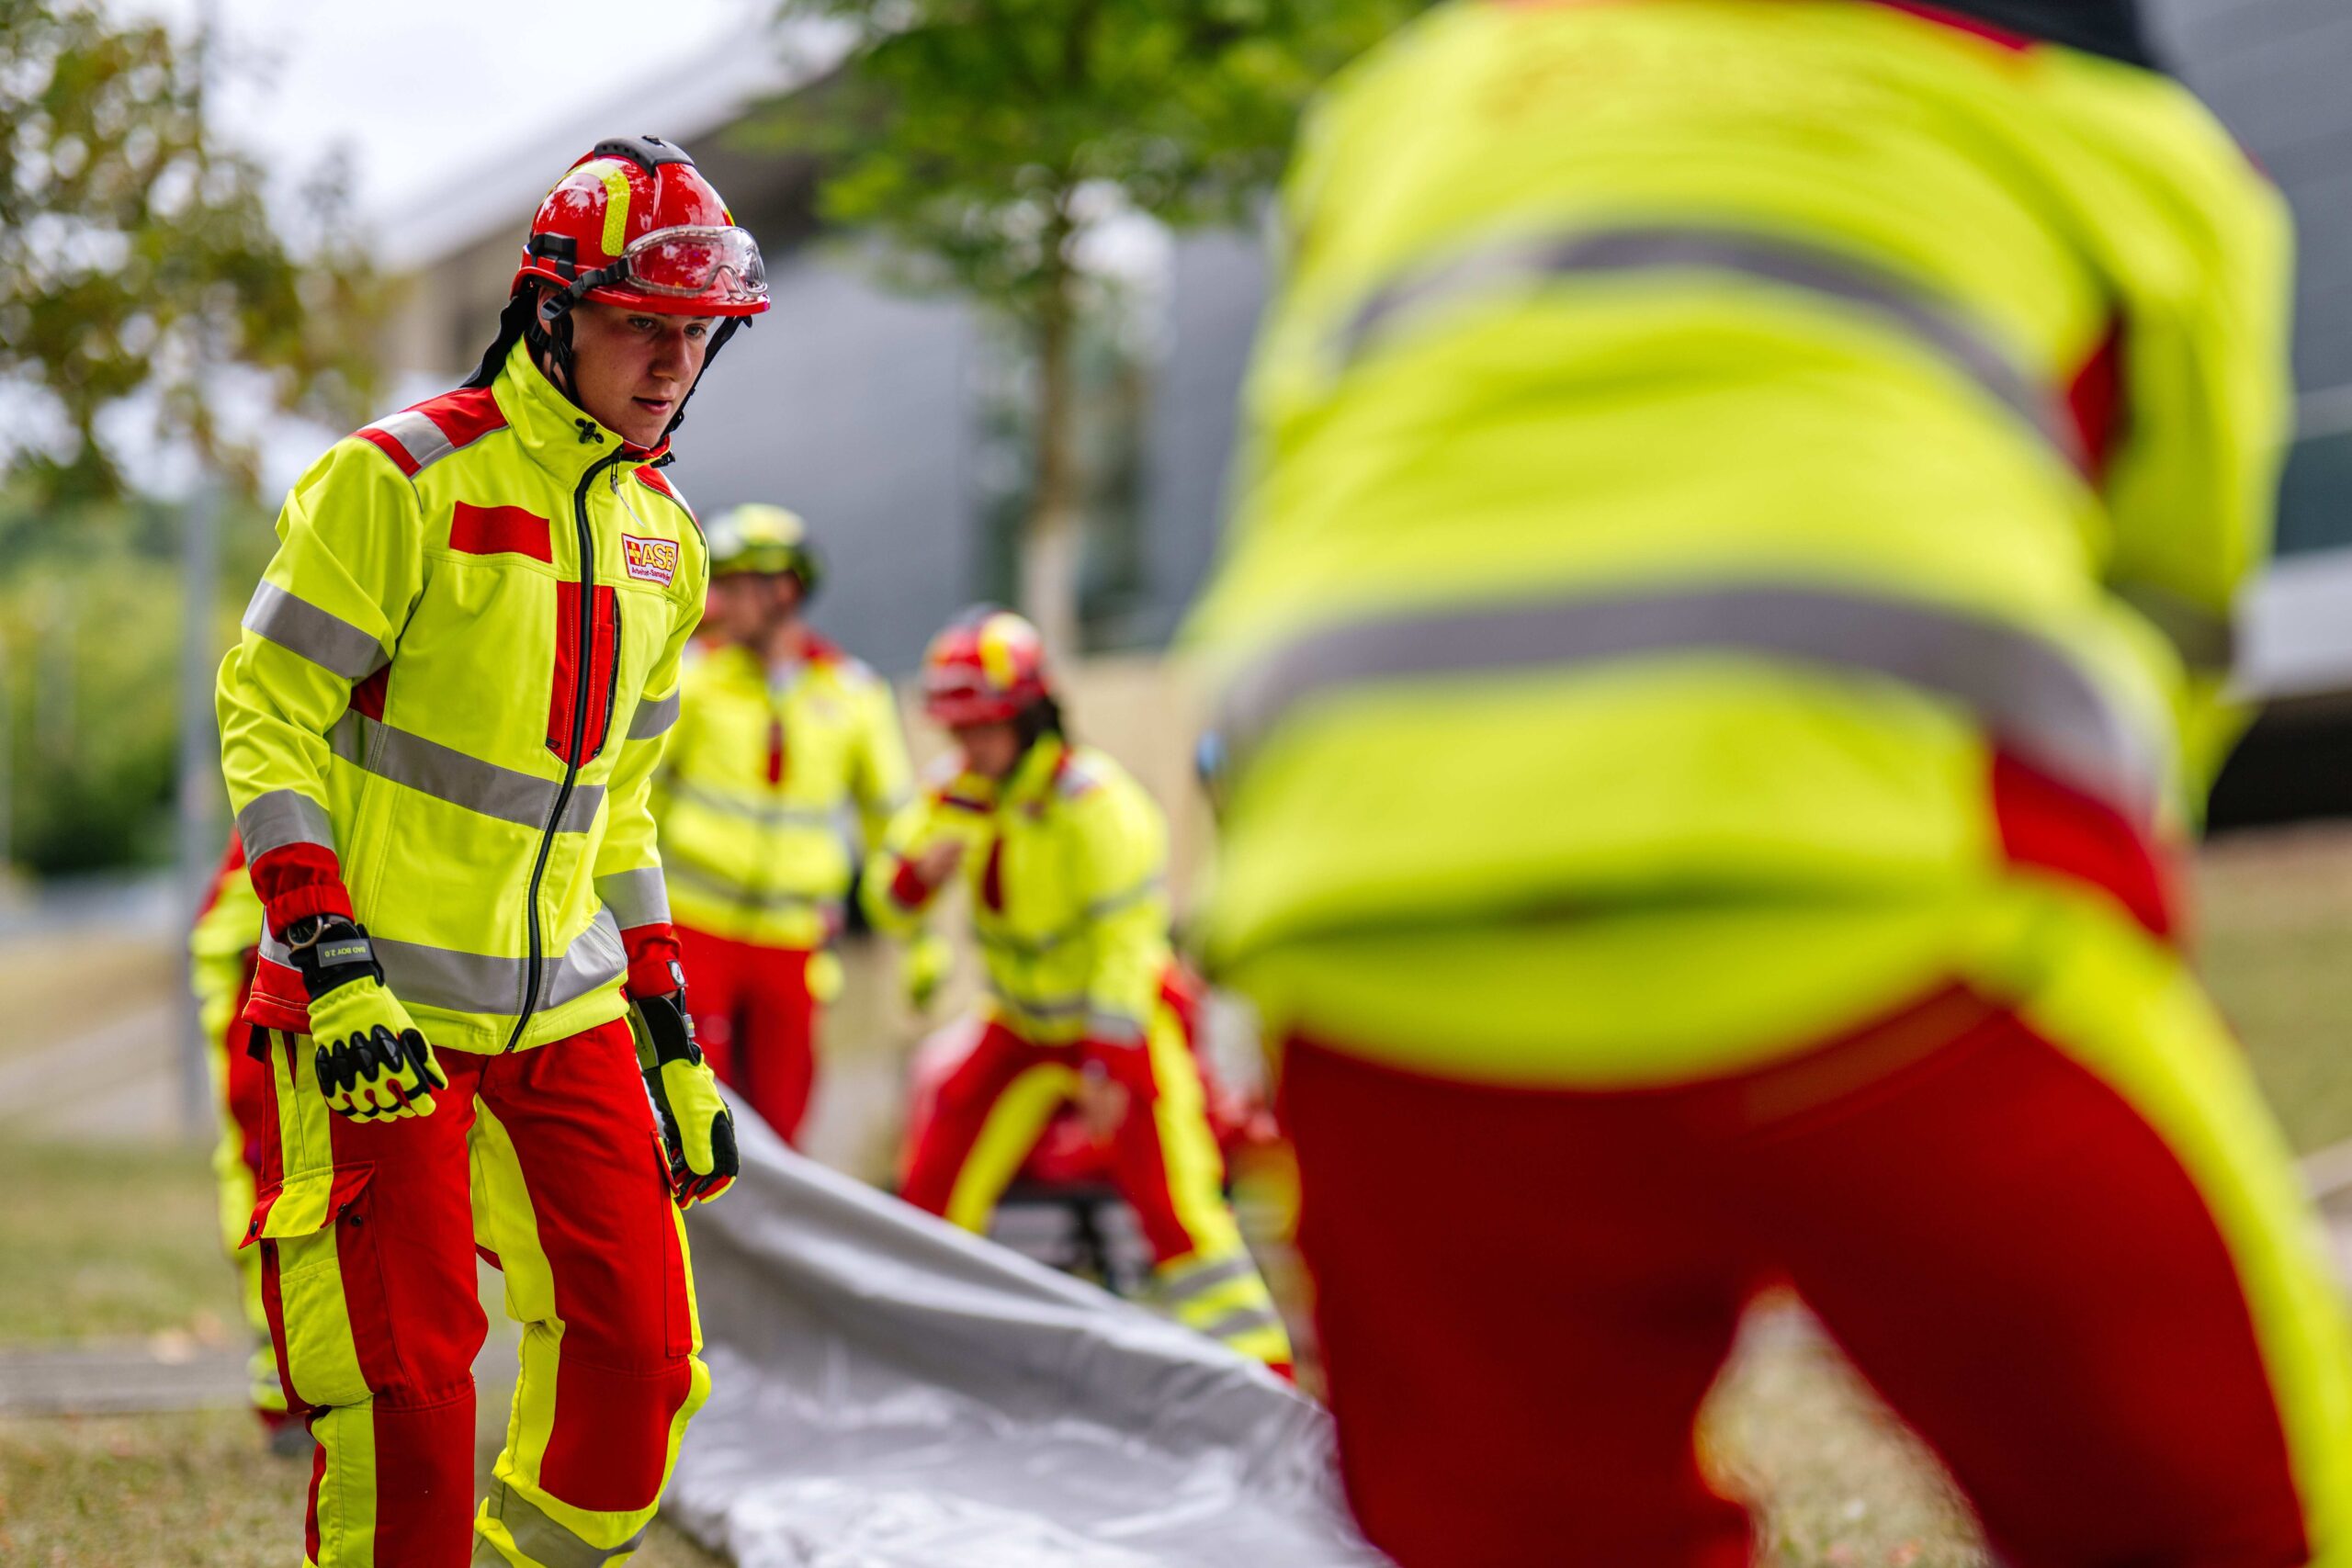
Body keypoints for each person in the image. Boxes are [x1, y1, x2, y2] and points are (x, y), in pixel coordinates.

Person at [1182, 2, 2352, 1563]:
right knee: (2229, 1515)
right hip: (1894, 927)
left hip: (1364, 951)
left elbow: (1319, 476)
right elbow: (2176, 592)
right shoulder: (2117, 133)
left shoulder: (1413, 98)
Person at [215, 134, 752, 1567]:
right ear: (554, 308)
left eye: (696, 336)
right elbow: (265, 714)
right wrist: (329, 962)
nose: (671, 365)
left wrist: (672, 1028)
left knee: (643, 1356)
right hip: (377, 1008)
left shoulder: (665, 539)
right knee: (411, 1392)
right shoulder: (398, 479)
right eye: (644, 325)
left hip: (569, 1009)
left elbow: (619, 806)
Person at [864, 608, 1293, 1373]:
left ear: (1029, 715)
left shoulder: (1098, 805)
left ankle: (1265, 1372)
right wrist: (909, 879)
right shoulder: (955, 794)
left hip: (1114, 1026)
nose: (965, 746)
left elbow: (1126, 947)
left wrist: (1108, 1065)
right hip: (1017, 1022)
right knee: (929, 1190)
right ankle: (911, 1363)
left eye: (982, 728)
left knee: (1175, 1210)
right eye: (955, 730)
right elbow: (887, 900)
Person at [651, 502, 943, 1142]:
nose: (718, 601)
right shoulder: (689, 679)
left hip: (796, 940)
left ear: (785, 589)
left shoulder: (854, 693)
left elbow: (894, 823)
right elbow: (636, 798)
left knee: (784, 1126)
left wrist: (920, 939)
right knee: (691, 1119)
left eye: (734, 584)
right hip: (694, 929)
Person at [187, 831, 309, 1456]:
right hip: (264, 974)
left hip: (267, 964)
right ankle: (290, 1385)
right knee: (275, 1183)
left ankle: (295, 1383)